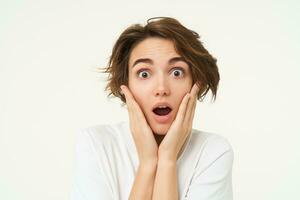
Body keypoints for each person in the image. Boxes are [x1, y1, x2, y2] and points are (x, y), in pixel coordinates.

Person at [70, 17, 234, 200]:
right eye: (144, 73)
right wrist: (148, 164)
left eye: (177, 72)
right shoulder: (96, 144)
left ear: (195, 84)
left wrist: (167, 159)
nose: (162, 89)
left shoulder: (212, 151)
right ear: (126, 86)